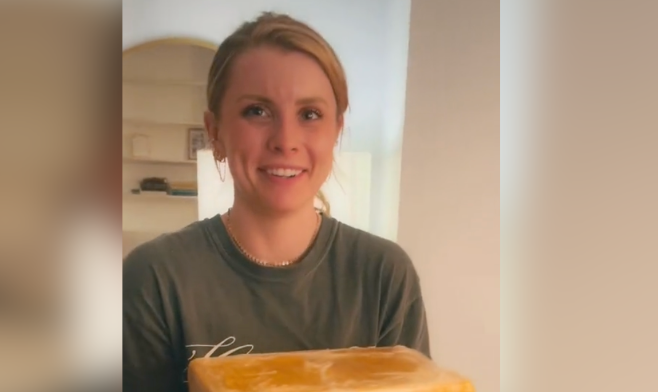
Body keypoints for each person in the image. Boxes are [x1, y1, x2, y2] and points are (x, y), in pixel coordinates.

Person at [123, 12, 430, 392]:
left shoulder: (384, 275)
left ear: (336, 131)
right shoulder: (155, 279)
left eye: (310, 114)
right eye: (258, 111)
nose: (286, 140)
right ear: (214, 132)